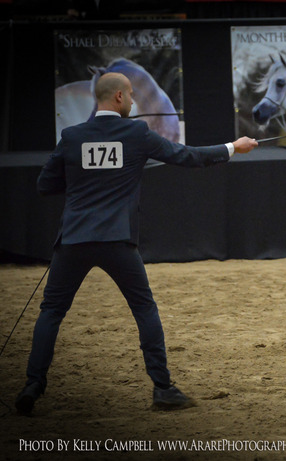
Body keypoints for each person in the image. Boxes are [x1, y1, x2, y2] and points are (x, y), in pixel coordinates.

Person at [15, 72, 258, 416]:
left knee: (51, 312)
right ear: (118, 97)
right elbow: (187, 156)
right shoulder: (136, 134)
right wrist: (233, 147)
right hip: (117, 239)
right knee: (144, 309)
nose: (133, 100)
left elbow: (45, 185)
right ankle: (163, 388)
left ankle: (32, 385)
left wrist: (85, 184)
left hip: (74, 239)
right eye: (130, 94)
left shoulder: (72, 136)